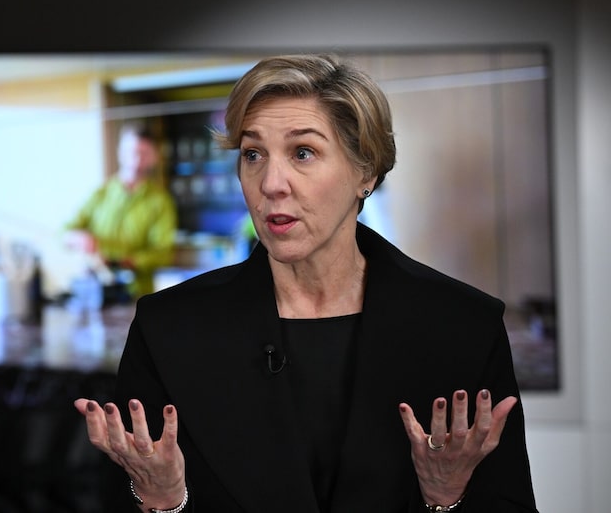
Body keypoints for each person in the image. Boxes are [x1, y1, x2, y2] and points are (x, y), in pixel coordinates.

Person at [74, 54, 538, 512]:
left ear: (366, 171)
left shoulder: (465, 327)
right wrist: (162, 501)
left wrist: (446, 500)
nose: (271, 182)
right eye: (253, 154)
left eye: (303, 153)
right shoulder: (166, 329)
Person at [67, 123, 178, 298]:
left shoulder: (160, 202)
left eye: (143, 154)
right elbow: (65, 231)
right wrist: (78, 238)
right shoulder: (101, 193)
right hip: (95, 291)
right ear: (121, 152)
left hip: (136, 294)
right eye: (132, 152)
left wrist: (123, 262)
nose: (136, 160)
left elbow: (163, 253)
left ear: (153, 157)